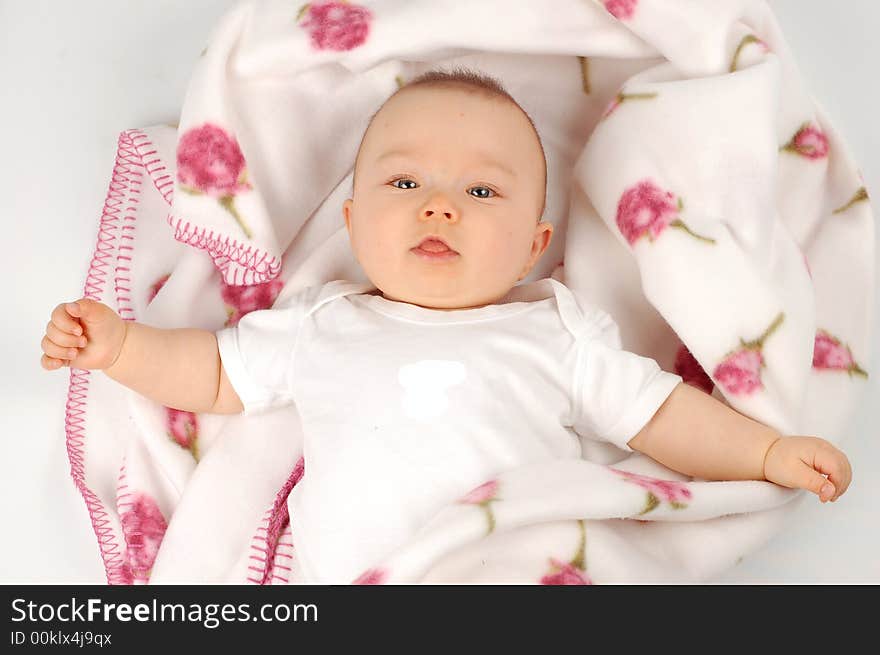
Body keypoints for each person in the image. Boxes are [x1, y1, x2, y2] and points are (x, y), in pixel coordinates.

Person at [40, 68, 851, 583]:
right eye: (405, 180)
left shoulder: (556, 336)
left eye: (483, 192)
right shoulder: (321, 326)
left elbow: (662, 415)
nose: (440, 204)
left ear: (535, 248)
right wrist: (120, 348)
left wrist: (767, 450)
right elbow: (215, 374)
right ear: (354, 226)